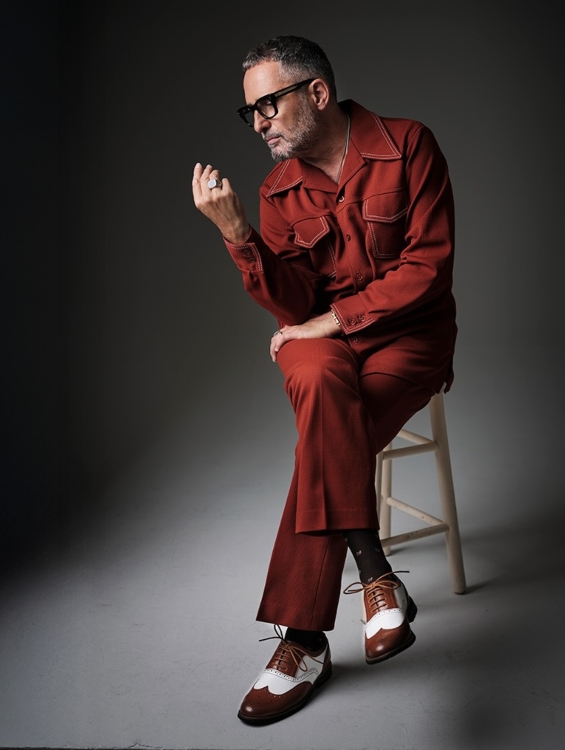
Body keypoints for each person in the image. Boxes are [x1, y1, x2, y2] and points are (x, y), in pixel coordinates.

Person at [190, 34, 457, 725]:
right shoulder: (277, 190)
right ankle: (376, 579)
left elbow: (428, 269)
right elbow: (292, 304)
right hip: (322, 342)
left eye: (268, 105)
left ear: (316, 92)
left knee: (324, 438)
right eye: (249, 112)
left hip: (408, 338)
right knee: (313, 378)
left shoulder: (409, 146)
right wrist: (239, 236)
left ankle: (304, 641)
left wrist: (333, 320)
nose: (259, 123)